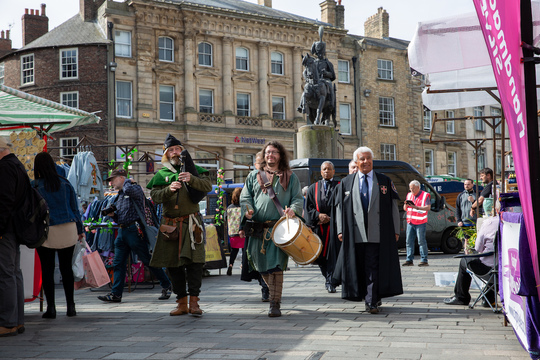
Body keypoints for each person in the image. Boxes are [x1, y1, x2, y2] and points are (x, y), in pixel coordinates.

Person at [146, 134, 212, 316]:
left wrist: (192, 179)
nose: (176, 152)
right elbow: (155, 198)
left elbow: (207, 187)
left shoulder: (195, 170)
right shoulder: (161, 175)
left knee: (195, 264)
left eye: (178, 149)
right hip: (170, 227)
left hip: (192, 224)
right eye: (172, 150)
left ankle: (194, 303)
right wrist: (169, 189)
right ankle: (181, 303)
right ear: (166, 154)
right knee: (172, 265)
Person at [333, 147, 402, 314]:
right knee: (359, 266)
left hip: (377, 233)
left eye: (368, 158)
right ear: (356, 162)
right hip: (354, 233)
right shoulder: (346, 182)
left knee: (373, 265)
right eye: (362, 159)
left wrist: (396, 229)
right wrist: (340, 230)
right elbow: (339, 208)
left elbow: (393, 207)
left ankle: (371, 301)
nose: (366, 162)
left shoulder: (384, 180)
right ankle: (368, 295)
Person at [240, 141, 303, 317]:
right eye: (268, 152)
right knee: (260, 265)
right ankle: (273, 296)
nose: (270, 155)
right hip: (258, 229)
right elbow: (245, 196)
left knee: (276, 266)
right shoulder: (253, 176)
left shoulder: (290, 176)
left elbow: (298, 198)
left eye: (274, 152)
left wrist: (293, 209)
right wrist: (248, 209)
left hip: (280, 228)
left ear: (280, 155)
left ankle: (275, 303)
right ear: (264, 155)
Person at [97, 168, 172, 303]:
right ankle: (116, 294)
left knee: (147, 260)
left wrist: (127, 181)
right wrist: (113, 216)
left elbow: (130, 191)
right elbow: (121, 218)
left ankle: (166, 285)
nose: (111, 183)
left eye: (113, 180)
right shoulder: (119, 195)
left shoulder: (134, 187)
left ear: (121, 178)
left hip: (134, 231)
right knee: (118, 263)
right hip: (123, 231)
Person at [32, 152, 84, 319]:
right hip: (68, 228)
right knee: (66, 268)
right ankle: (71, 306)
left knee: (47, 270)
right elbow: (75, 210)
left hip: (47, 230)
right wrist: (80, 229)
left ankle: (51, 308)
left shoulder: (34, 186)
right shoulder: (65, 184)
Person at [0, 137, 28, 337]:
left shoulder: (5, 168)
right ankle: (16, 321)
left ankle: (8, 322)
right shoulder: (18, 165)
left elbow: (4, 202)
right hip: (15, 228)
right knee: (14, 273)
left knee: (6, 274)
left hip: (6, 229)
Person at [444, 215, 499, 306]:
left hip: (488, 270)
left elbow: (478, 247)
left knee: (464, 261)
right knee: (495, 264)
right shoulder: (513, 223)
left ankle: (461, 297)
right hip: (507, 271)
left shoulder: (490, 223)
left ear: (496, 210)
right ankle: (488, 298)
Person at [305, 161, 339, 293]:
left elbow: (343, 205)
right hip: (319, 228)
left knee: (332, 256)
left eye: (329, 169)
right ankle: (328, 278)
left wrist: (331, 217)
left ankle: (331, 280)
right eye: (324, 169)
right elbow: (308, 207)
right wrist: (318, 216)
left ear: (333, 171)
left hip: (335, 228)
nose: (326, 171)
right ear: (321, 172)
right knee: (321, 257)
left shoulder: (339, 185)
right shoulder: (313, 188)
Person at [402, 180, 431, 267]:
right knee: (408, 241)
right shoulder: (409, 195)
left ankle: (424, 260)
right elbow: (405, 209)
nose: (412, 190)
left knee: (421, 241)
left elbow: (428, 207)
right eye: (410, 189)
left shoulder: (425, 195)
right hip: (410, 222)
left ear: (418, 187)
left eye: (413, 189)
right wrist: (406, 205)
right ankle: (409, 260)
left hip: (420, 222)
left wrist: (416, 207)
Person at [226, 188, 245, 276]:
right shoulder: (243, 207)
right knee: (245, 250)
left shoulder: (229, 208)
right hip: (242, 232)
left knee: (234, 251)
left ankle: (230, 265)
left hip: (232, 232)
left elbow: (226, 218)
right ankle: (243, 265)